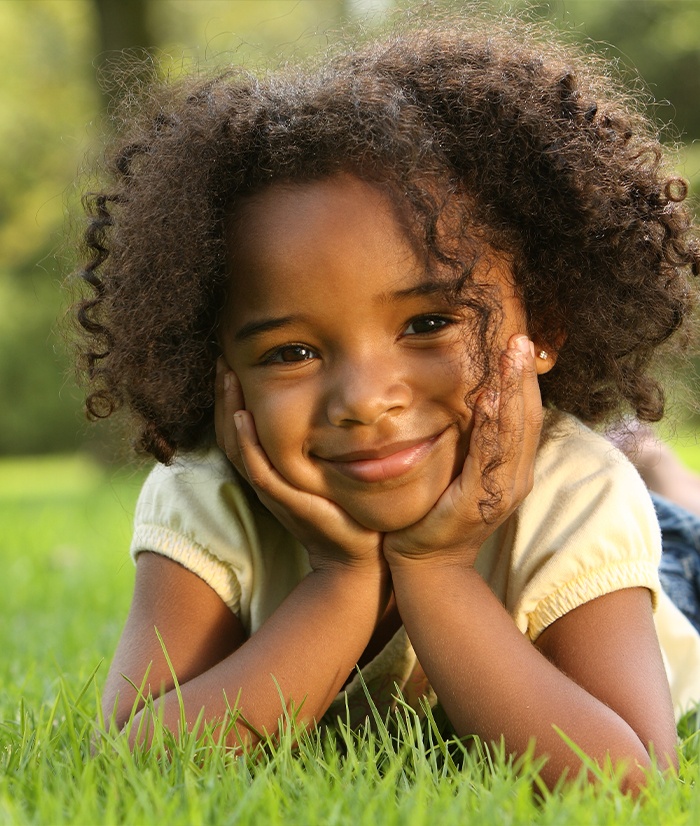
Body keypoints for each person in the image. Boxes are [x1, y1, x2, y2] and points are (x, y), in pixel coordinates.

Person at [72, 15, 700, 792]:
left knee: (679, 534)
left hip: (664, 575)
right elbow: (130, 766)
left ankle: (660, 475)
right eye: (291, 353)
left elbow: (631, 782)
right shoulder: (207, 497)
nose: (366, 402)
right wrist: (339, 578)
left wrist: (434, 570)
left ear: (546, 324)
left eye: (429, 323)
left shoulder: (576, 492)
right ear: (216, 369)